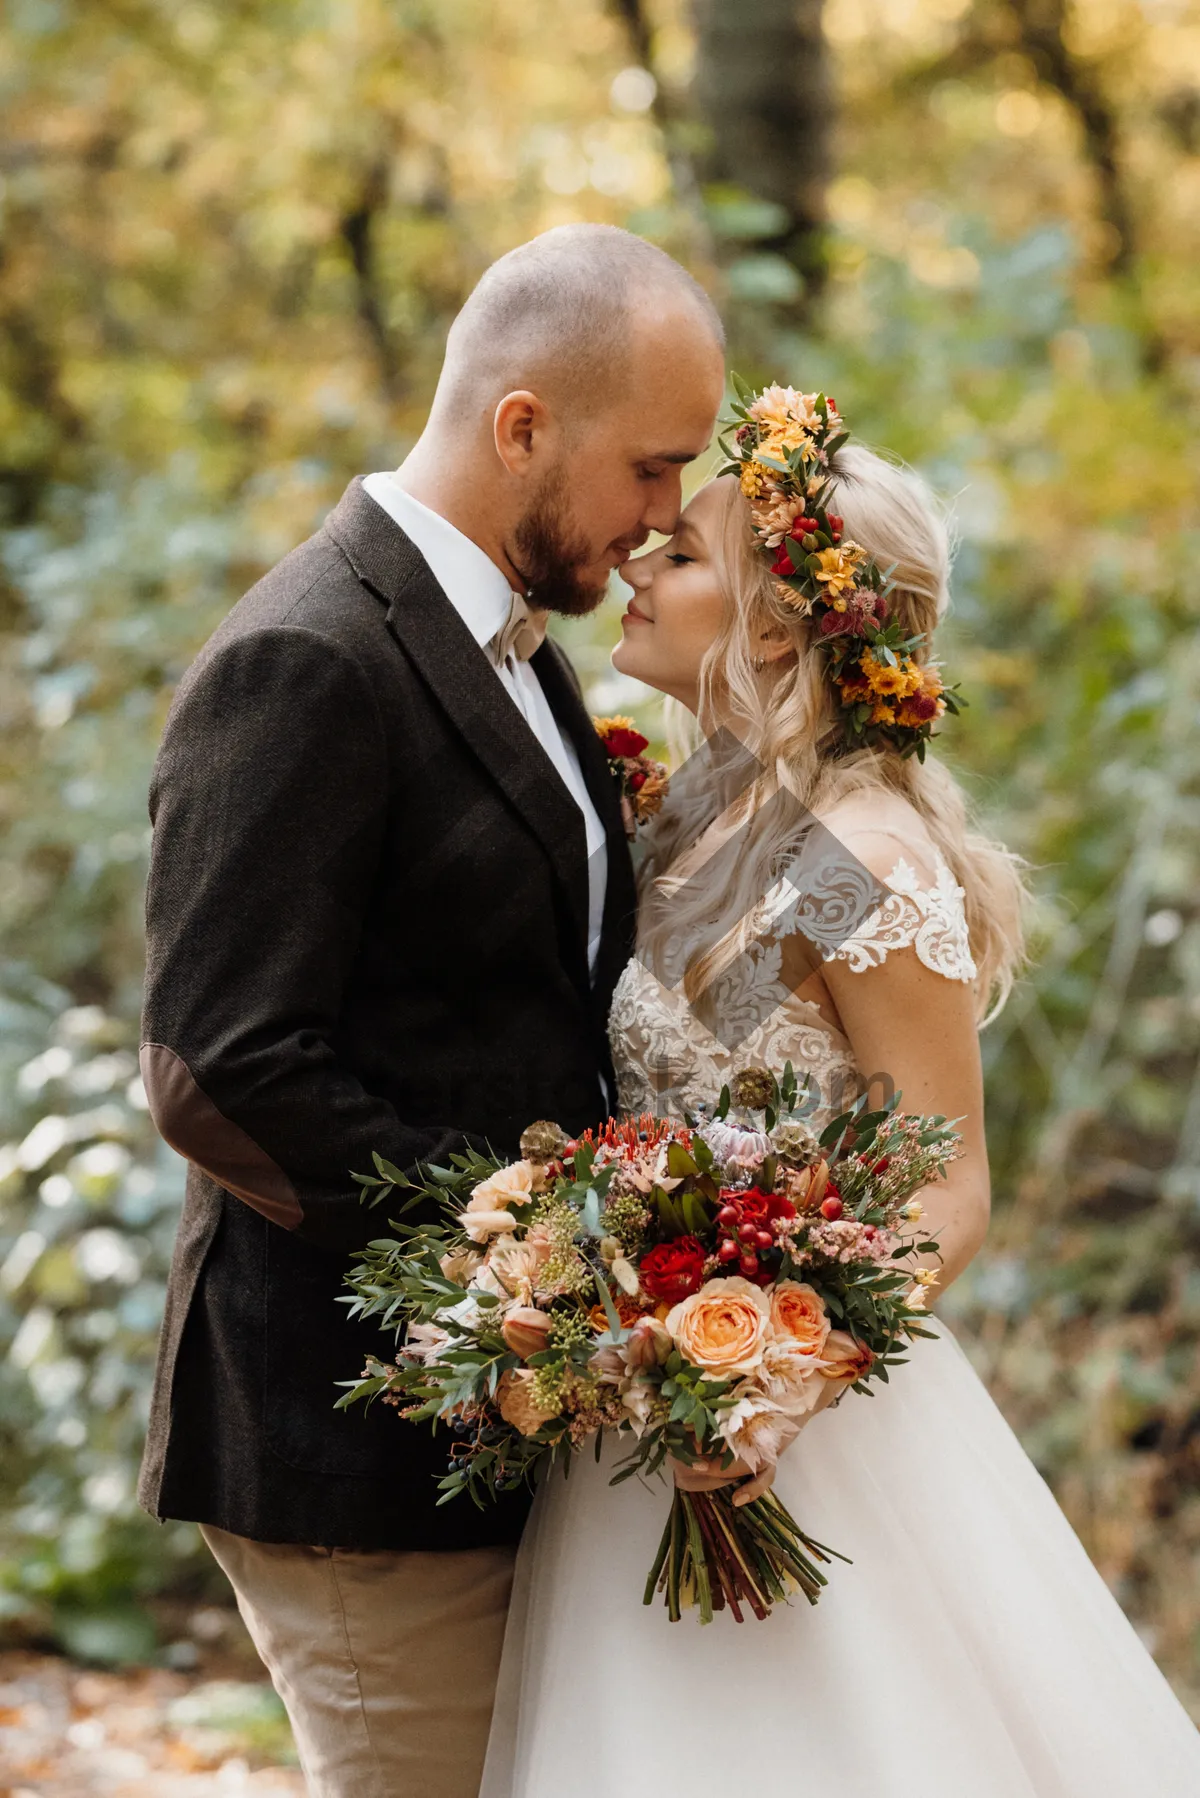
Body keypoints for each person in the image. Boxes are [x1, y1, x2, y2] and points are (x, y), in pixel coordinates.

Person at [481, 399, 1200, 1795]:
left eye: (680, 554)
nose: (635, 562)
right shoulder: (698, 814)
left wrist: (778, 1381)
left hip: (795, 1434)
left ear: (767, 624)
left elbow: (950, 1183)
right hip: (642, 1406)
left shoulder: (853, 857)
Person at [135, 223, 726, 1798]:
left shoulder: (518, 647)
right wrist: (521, 1238)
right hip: (352, 1443)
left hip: (497, 1437)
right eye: (653, 469)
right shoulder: (304, 659)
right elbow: (217, 1067)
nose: (667, 519)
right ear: (521, 424)